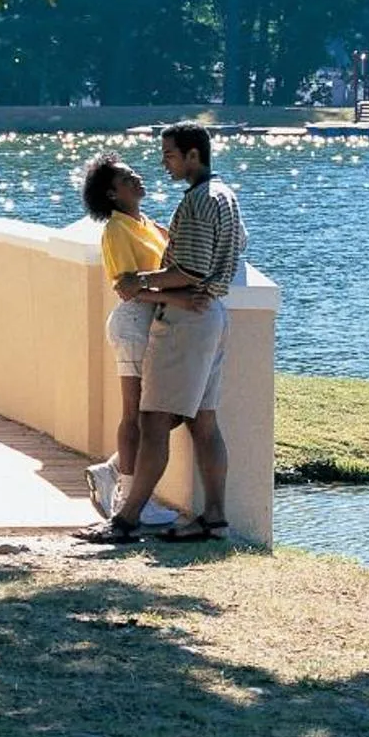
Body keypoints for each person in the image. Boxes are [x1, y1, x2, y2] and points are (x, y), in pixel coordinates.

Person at [79, 124, 241, 545]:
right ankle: (215, 518)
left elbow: (189, 271)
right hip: (214, 315)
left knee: (151, 421)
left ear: (192, 156)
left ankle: (126, 520)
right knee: (204, 423)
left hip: (188, 322)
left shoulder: (198, 202)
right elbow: (237, 246)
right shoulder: (225, 196)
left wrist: (143, 283)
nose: (163, 164)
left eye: (169, 155)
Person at [78, 154, 169, 514]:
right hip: (133, 324)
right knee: (134, 414)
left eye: (134, 175)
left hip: (152, 324)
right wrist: (176, 296)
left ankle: (112, 472)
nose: (137, 180)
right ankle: (131, 500)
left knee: (160, 412)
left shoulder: (145, 224)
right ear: (113, 195)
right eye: (127, 179)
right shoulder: (116, 230)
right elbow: (125, 287)